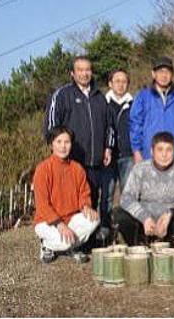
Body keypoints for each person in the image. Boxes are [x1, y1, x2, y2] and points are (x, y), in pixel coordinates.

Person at [43, 56, 113, 210]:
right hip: (71, 162)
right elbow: (51, 127)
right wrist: (59, 152)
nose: (84, 73)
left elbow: (109, 126)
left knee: (91, 202)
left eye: (87, 69)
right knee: (70, 204)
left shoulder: (100, 97)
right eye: (80, 70)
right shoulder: (62, 95)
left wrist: (108, 148)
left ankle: (91, 234)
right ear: (72, 73)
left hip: (94, 163)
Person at [114, 132, 174, 246]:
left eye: (169, 150)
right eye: (160, 150)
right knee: (121, 214)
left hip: (170, 220)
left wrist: (170, 213)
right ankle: (139, 245)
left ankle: (172, 244)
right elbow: (126, 198)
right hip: (145, 219)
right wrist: (145, 217)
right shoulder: (140, 169)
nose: (164, 154)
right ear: (152, 151)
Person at [33, 126, 99, 264]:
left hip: (70, 219)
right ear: (51, 145)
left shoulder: (77, 168)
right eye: (59, 142)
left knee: (94, 219)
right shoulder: (43, 169)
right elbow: (42, 204)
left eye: (67, 142)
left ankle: (71, 246)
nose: (63, 146)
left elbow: (84, 193)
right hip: (47, 221)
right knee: (63, 242)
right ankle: (46, 245)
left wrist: (86, 206)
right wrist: (59, 224)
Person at [129, 57, 174, 163]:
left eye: (167, 71)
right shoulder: (143, 96)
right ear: (153, 74)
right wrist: (137, 151)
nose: (164, 75)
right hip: (149, 155)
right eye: (160, 71)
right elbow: (135, 125)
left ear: (172, 75)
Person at [99, 69, 134, 238]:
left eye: (124, 81)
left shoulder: (133, 104)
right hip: (108, 156)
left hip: (128, 155)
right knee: (107, 194)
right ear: (110, 83)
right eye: (117, 81)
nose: (120, 84)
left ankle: (127, 229)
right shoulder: (102, 103)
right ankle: (105, 228)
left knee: (128, 193)